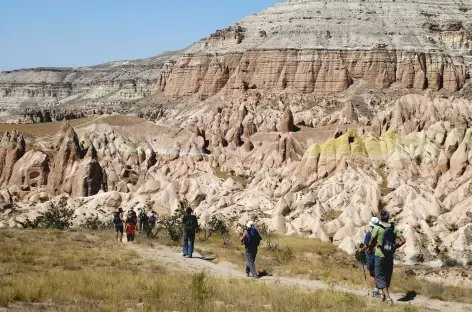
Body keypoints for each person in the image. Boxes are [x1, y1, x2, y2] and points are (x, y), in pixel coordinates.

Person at [369, 210, 406, 305]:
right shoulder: (393, 227)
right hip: (390, 256)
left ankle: (388, 299)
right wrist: (394, 247)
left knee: (379, 276)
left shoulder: (377, 228)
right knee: (386, 275)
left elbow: (371, 242)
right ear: (388, 217)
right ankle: (383, 296)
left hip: (380, 255)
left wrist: (371, 247)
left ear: (380, 217)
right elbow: (403, 240)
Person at [358, 217, 380, 297]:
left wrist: (360, 250)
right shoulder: (381, 233)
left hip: (371, 256)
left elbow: (366, 246)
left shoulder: (369, 234)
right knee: (379, 274)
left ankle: (376, 291)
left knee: (372, 274)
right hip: (380, 255)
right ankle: (384, 292)